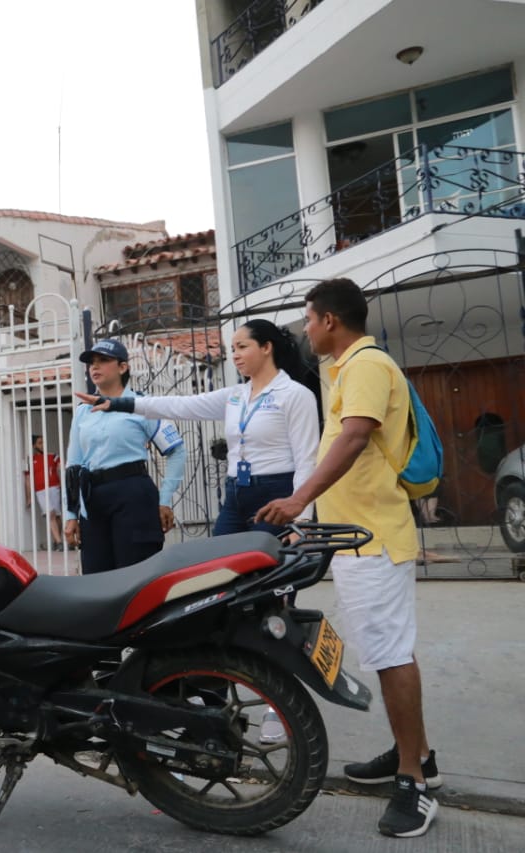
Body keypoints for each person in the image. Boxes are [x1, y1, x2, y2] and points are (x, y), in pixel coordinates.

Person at [255, 278, 440, 839]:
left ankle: (416, 784)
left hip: (376, 539)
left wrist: (298, 500)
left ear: (330, 320)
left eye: (308, 320)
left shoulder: (364, 365)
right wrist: (313, 525)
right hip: (357, 538)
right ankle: (417, 754)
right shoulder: (348, 367)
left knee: (390, 655)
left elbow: (355, 438)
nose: (305, 330)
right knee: (383, 652)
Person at [82, 319, 319, 536]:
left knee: (271, 574)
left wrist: (302, 519)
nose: (235, 355)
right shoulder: (236, 395)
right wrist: (118, 404)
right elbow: (179, 406)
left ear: (266, 348)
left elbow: (306, 459)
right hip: (236, 492)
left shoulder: (295, 395)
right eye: (232, 349)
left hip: (275, 492)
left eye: (242, 347)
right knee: (224, 568)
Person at [63, 339, 185, 574]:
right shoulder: (82, 412)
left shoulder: (142, 405)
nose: (95, 367)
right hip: (93, 498)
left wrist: (165, 499)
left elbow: (177, 451)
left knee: (135, 572)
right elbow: (73, 465)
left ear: (122, 367)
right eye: (91, 363)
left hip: (132, 493)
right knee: (96, 575)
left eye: (103, 360)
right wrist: (71, 514)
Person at [25, 434, 64, 550]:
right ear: (34, 445)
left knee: (57, 516)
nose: (42, 445)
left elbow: (61, 468)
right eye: (40, 443)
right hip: (40, 490)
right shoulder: (30, 460)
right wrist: (29, 497)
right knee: (50, 513)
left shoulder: (53, 456)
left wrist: (62, 481)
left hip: (54, 488)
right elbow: (27, 479)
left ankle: (56, 542)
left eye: (43, 442)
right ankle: (59, 542)